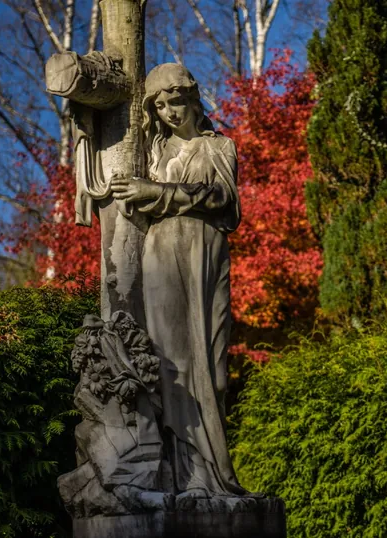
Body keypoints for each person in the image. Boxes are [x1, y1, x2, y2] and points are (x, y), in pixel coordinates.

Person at [109, 63, 245, 498]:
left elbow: (223, 199)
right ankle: (186, 478)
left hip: (206, 251)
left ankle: (216, 474)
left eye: (176, 101)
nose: (169, 111)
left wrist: (157, 193)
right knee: (173, 365)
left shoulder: (219, 146)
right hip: (162, 254)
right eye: (160, 105)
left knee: (215, 370)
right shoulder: (152, 151)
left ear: (193, 100)